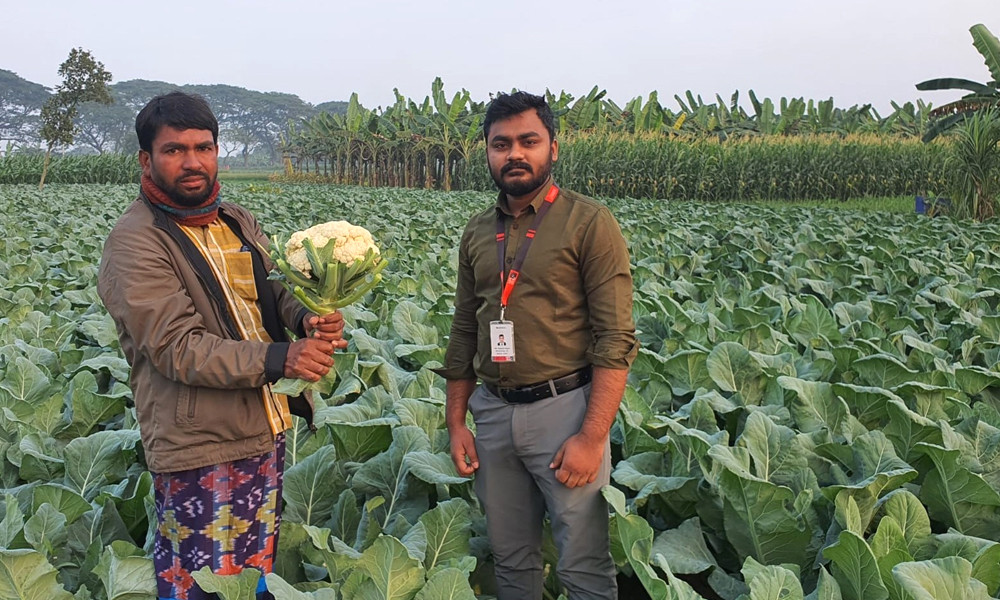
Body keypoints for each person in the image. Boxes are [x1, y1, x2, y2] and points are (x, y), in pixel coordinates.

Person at [97, 91, 346, 600]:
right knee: (199, 585)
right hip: (199, 445)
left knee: (252, 580)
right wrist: (283, 358)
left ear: (216, 152)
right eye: (174, 150)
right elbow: (177, 346)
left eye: (203, 147)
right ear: (146, 159)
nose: (192, 162)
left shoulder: (233, 220)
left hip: (261, 429)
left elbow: (271, 290)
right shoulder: (136, 241)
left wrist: (308, 317)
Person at [435, 91, 638, 600]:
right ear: (486, 151)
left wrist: (592, 437)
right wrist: (456, 421)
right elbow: (465, 328)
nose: (514, 154)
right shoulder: (478, 231)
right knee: (511, 560)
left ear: (553, 148)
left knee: (583, 563)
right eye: (501, 144)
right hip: (494, 413)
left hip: (565, 410)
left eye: (529, 141)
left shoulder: (589, 222)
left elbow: (615, 338)